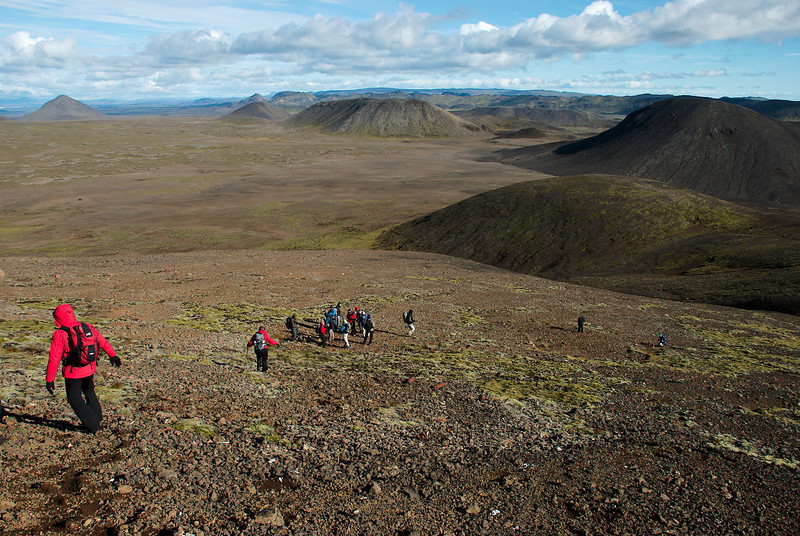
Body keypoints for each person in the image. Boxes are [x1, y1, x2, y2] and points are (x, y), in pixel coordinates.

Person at [45, 303, 120, 434]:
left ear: (58, 318)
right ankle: (97, 418)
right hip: (89, 368)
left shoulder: (60, 333)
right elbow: (102, 342)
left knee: (74, 398)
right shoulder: (86, 327)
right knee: (89, 391)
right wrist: (113, 355)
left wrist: (49, 379)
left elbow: (54, 358)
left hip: (73, 372)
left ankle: (93, 426)